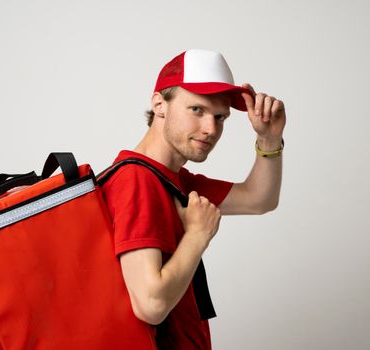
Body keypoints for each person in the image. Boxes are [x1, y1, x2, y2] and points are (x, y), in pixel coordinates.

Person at [101, 49, 286, 350]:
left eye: (220, 117)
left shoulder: (175, 180)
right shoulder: (137, 180)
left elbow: (259, 199)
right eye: (197, 110)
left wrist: (269, 139)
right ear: (159, 104)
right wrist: (198, 235)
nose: (211, 129)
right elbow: (151, 303)